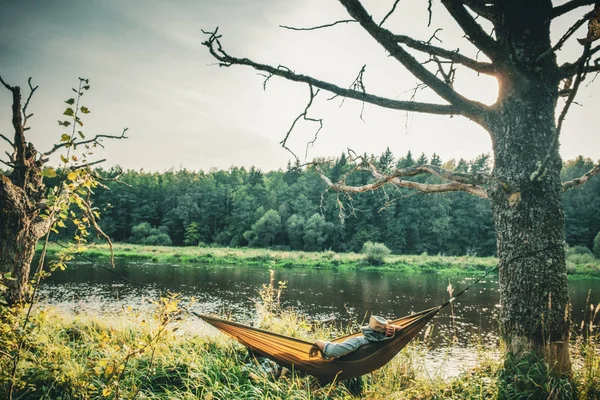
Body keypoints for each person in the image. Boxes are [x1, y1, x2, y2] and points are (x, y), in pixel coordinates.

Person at [309, 315, 403, 359]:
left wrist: (318, 342)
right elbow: (333, 351)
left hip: (342, 360)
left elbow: (333, 351)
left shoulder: (360, 341)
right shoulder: (387, 340)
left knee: (332, 348)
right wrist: (394, 328)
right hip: (358, 363)